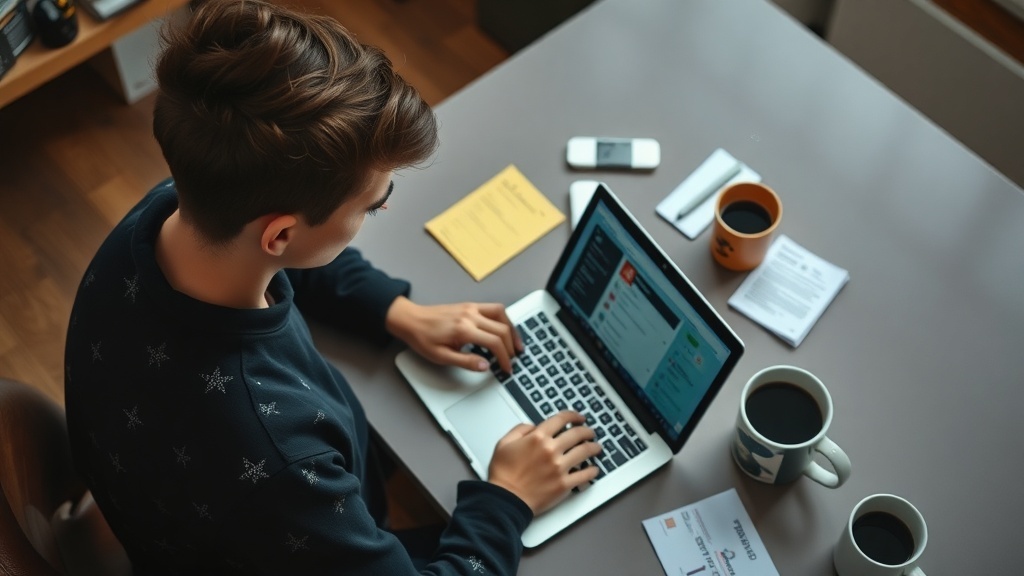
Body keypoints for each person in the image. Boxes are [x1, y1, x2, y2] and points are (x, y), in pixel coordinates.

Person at [62, 1, 601, 574]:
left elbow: (283, 253)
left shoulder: (167, 210)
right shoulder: (283, 460)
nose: (383, 207)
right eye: (372, 206)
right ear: (281, 234)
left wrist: (395, 310)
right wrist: (507, 499)